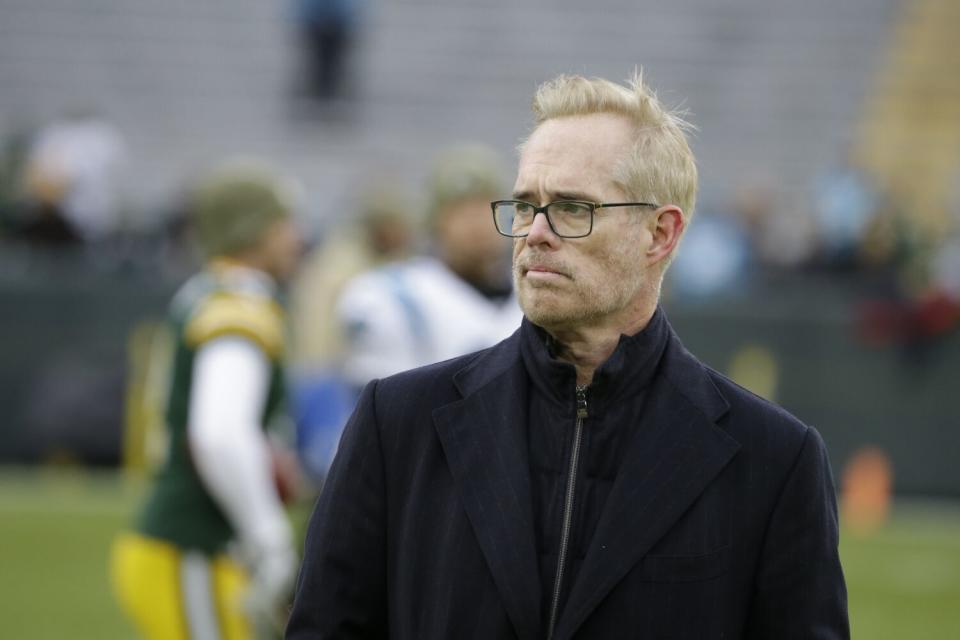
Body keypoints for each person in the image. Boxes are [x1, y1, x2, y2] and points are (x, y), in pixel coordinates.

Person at [286, 72, 849, 639]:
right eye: (526, 205)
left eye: (573, 208)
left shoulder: (774, 459)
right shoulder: (398, 423)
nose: (534, 233)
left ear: (660, 235)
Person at [112, 159, 305, 639]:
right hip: (192, 546)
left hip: (185, 548)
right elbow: (219, 435)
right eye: (283, 223)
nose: (296, 236)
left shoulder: (206, 291)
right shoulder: (237, 303)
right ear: (253, 230)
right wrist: (269, 536)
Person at [334, 143, 522, 391]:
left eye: (486, 208)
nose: (477, 223)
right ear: (436, 221)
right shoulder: (394, 295)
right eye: (461, 211)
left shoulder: (532, 292)